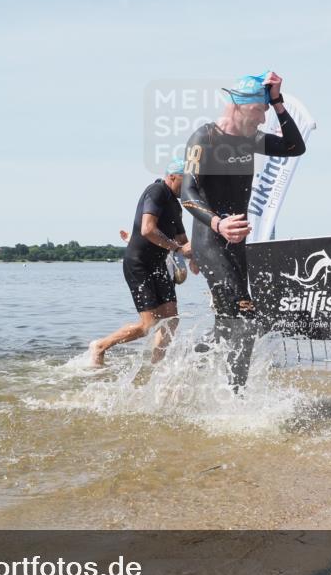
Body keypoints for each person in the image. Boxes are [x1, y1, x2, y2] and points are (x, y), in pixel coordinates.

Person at [180, 71, 307, 390]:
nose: (265, 116)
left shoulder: (251, 141)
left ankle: (187, 365)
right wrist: (218, 223)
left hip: (236, 245)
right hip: (211, 241)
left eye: (267, 109)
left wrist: (277, 101)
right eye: (261, 108)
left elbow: (295, 146)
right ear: (241, 105)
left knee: (228, 325)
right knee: (247, 317)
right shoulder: (205, 137)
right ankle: (236, 396)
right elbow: (187, 193)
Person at [89, 159, 194, 366]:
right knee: (149, 324)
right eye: (187, 179)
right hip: (139, 265)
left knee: (171, 319)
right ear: (173, 176)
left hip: (158, 265)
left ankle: (156, 367)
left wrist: (196, 257)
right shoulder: (156, 191)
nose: (190, 185)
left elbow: (182, 239)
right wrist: (177, 249)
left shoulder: (175, 203)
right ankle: (100, 346)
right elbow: (147, 229)